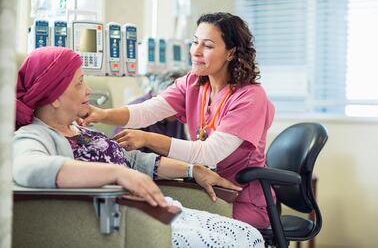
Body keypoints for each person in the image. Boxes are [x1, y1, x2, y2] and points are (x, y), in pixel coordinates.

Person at [13, 46, 265, 248]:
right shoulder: (34, 135)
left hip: (152, 207)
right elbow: (27, 168)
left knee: (248, 236)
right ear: (54, 96)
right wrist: (116, 174)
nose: (89, 90)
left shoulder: (81, 131)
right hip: (124, 219)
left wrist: (192, 171)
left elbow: (135, 162)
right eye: (80, 82)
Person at [81, 12, 275, 228]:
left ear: (231, 53)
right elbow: (146, 111)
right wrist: (101, 114)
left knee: (167, 227)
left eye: (208, 46)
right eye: (194, 42)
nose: (196, 52)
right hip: (205, 190)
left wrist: (147, 138)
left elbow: (207, 153)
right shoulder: (193, 84)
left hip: (241, 200)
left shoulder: (250, 98)